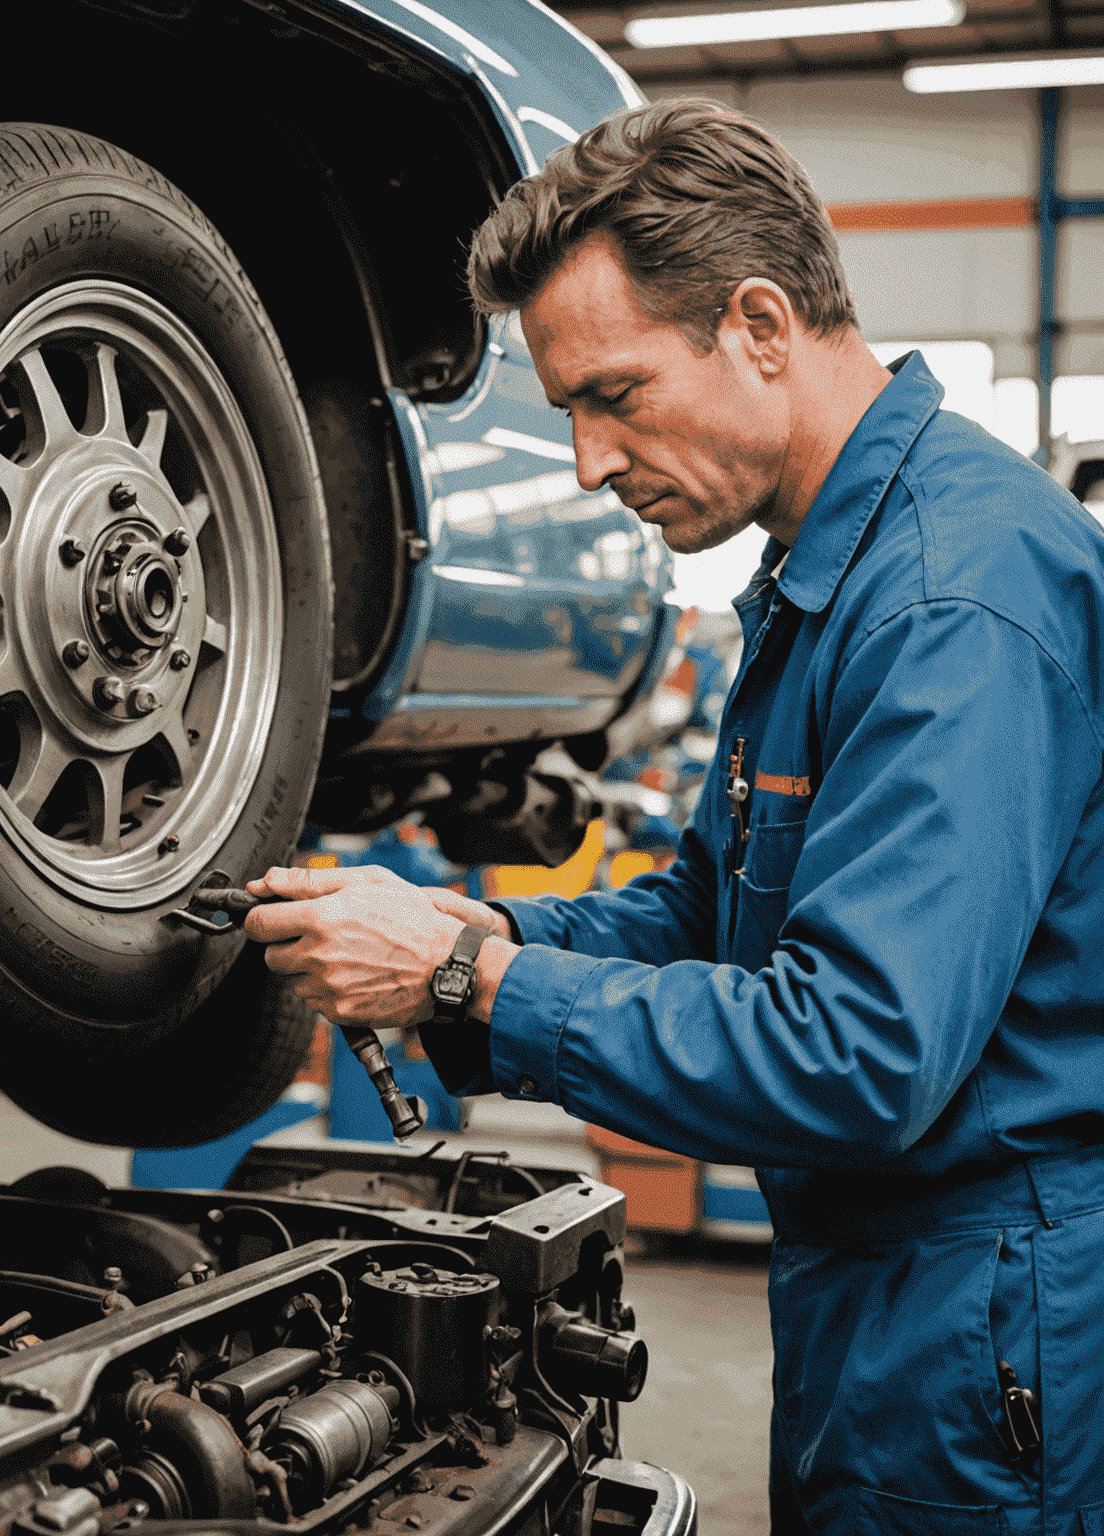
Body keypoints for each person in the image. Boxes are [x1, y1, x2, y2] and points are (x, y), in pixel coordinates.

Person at [243, 99, 1104, 1532]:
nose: (588, 460)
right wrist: (479, 936)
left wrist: (474, 982)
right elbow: (710, 909)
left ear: (762, 326)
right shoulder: (827, 571)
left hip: (989, 1304)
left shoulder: (956, 593)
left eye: (614, 395)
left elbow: (859, 1054)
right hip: (887, 1293)